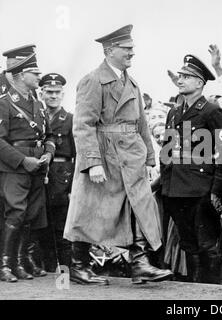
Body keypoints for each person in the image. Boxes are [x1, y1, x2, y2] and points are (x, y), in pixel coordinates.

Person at [63, 24, 173, 286]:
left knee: (140, 206)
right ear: (110, 50)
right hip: (105, 154)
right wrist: (92, 163)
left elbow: (142, 124)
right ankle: (79, 267)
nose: (132, 53)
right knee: (90, 211)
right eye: (127, 48)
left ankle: (140, 264)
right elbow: (83, 125)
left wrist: (148, 158)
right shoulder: (92, 80)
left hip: (131, 154)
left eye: (132, 48)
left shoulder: (131, 82)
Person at [160, 54, 222, 283]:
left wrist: (216, 190)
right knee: (189, 245)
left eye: (187, 76)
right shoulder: (174, 112)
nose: (180, 80)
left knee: (207, 245)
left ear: (200, 83)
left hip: (200, 191)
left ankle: (212, 293)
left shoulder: (211, 111)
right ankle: (194, 292)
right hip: (175, 190)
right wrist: (165, 185)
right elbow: (167, 151)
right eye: (180, 76)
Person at [0, 53, 56, 282]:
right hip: (15, 167)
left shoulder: (38, 104)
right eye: (35, 73)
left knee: (31, 215)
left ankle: (20, 262)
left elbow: (49, 135)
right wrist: (23, 161)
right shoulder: (4, 103)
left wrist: (49, 153)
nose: (39, 77)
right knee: (16, 214)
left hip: (38, 166)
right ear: (22, 75)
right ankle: (5, 265)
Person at [38, 73, 75, 271]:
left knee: (62, 227)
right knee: (42, 225)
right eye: (49, 92)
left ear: (63, 94)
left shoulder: (70, 119)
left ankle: (65, 274)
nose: (53, 96)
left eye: (57, 92)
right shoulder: (37, 118)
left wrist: (74, 186)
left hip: (63, 176)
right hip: (39, 175)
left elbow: (78, 156)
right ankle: (49, 270)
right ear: (41, 93)